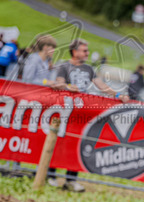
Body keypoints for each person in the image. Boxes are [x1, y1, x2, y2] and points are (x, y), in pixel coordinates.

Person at [49, 38, 129, 192]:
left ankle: (71, 180)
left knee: (77, 145)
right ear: (74, 52)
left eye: (87, 50)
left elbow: (102, 86)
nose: (87, 53)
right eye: (84, 50)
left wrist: (118, 95)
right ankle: (51, 175)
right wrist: (68, 87)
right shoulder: (64, 66)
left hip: (81, 114)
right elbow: (57, 84)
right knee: (60, 142)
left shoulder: (89, 69)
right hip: (65, 112)